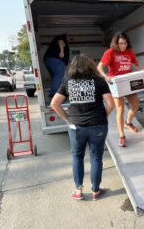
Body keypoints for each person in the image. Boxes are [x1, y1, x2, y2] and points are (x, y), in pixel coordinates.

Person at [51, 54, 115, 200]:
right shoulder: (99, 81)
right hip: (97, 125)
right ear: (90, 66)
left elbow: (54, 103)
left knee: (77, 157)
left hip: (76, 126)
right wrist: (103, 116)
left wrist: (67, 118)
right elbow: (111, 104)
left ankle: (78, 191)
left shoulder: (68, 82)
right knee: (96, 157)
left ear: (72, 67)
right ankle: (96, 191)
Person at [98, 32, 142, 147]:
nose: (124, 46)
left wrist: (143, 74)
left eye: (125, 43)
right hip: (116, 84)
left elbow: (137, 65)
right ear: (116, 43)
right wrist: (106, 76)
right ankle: (122, 135)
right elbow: (99, 67)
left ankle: (128, 122)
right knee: (120, 109)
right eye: (121, 43)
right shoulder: (110, 52)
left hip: (129, 83)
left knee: (135, 106)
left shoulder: (130, 52)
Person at [44, 34, 70, 98]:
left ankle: (57, 91)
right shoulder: (61, 38)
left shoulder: (56, 41)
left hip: (50, 60)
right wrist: (61, 51)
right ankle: (54, 93)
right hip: (55, 59)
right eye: (68, 37)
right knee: (60, 75)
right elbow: (60, 42)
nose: (69, 39)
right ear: (65, 36)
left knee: (56, 77)